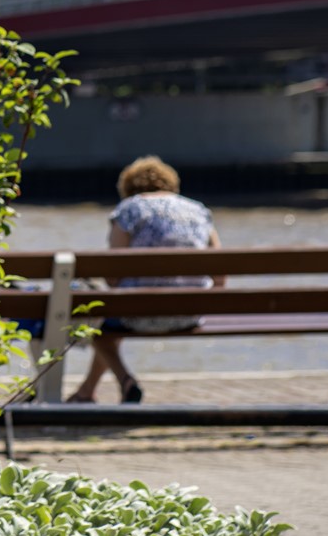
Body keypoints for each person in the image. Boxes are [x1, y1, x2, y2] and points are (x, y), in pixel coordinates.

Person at [67, 155, 223, 405]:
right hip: (190, 314)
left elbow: (113, 277)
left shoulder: (129, 210)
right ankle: (88, 392)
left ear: (128, 188)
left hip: (136, 313)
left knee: (97, 319)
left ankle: (123, 380)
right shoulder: (199, 211)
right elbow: (220, 276)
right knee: (109, 321)